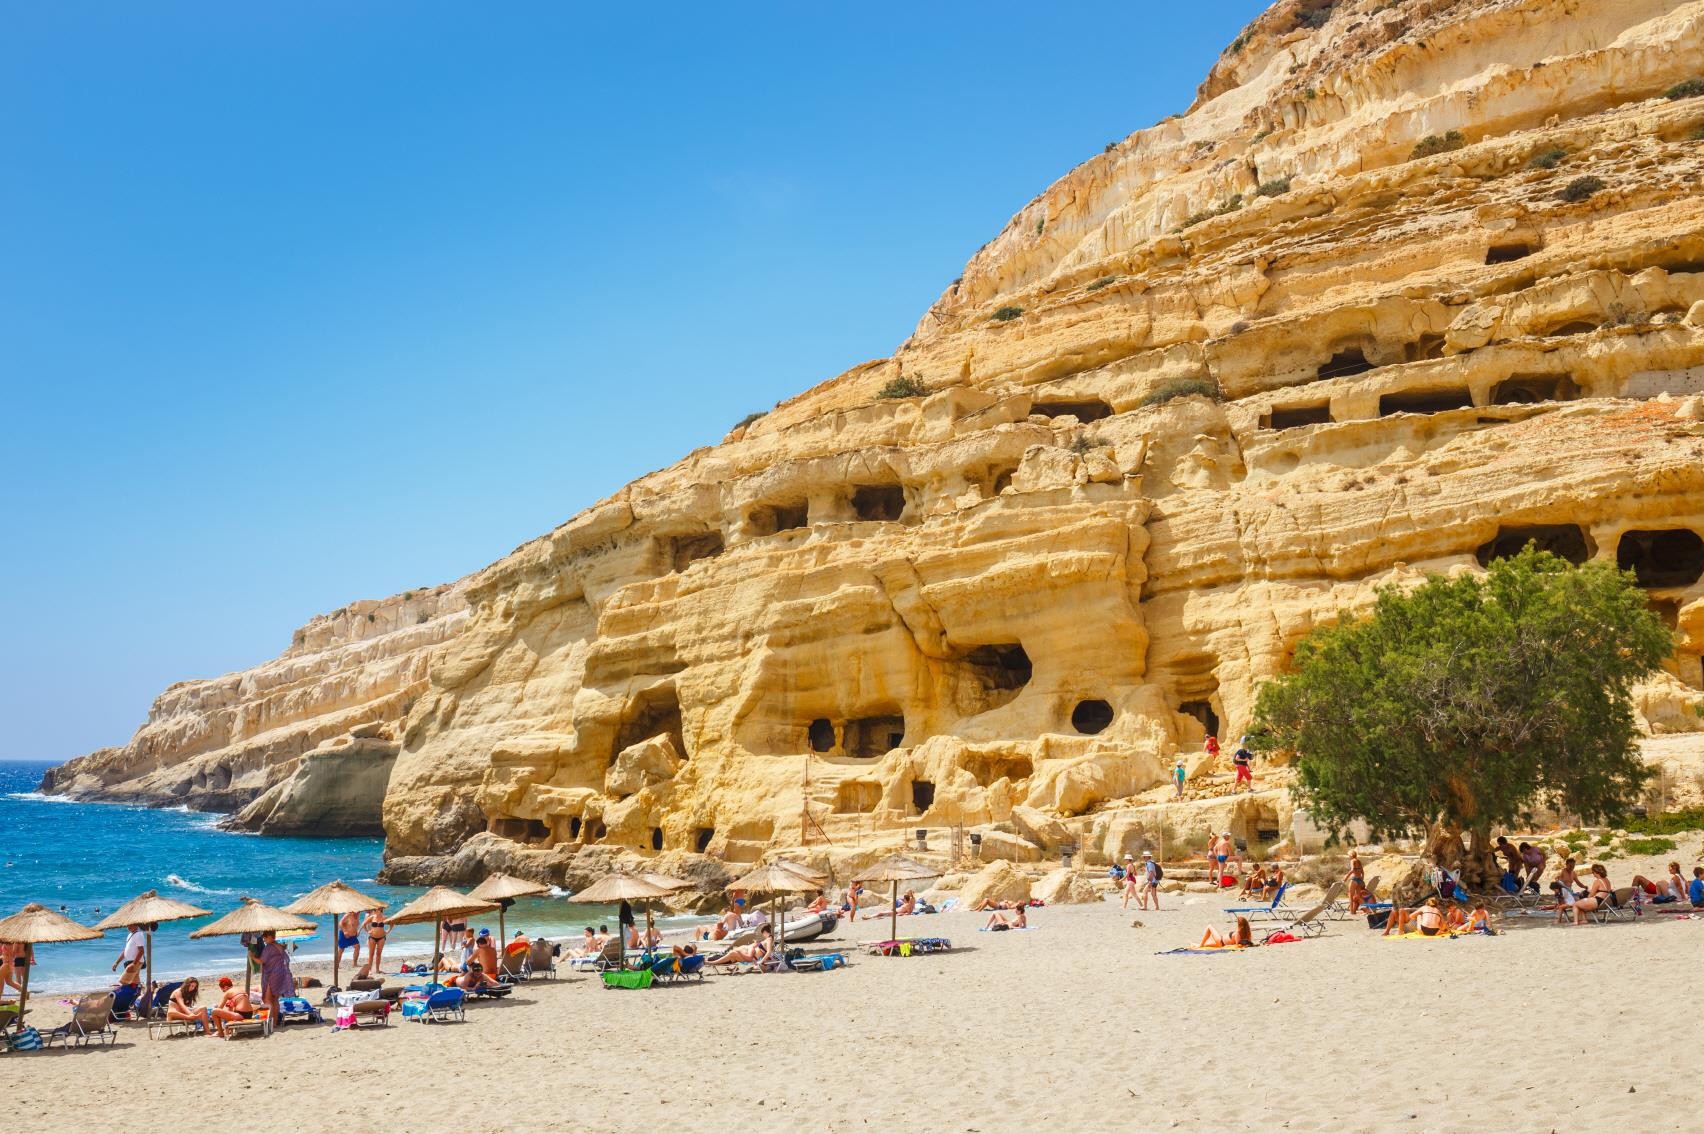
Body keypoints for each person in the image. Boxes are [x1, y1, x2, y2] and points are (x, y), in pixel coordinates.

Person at [258, 931, 295, 1021]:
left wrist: (252, 956)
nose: (264, 939)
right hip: (281, 975)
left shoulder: (269, 947)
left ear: (270, 936)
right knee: (275, 1000)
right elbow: (290, 952)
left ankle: (269, 1022)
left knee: (267, 1000)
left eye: (265, 937)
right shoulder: (280, 946)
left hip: (272, 976)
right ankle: (274, 1023)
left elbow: (261, 961)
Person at [707, 924, 773, 967]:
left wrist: (762, 961)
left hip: (751, 958)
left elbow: (769, 951)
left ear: (765, 932)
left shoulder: (769, 939)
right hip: (751, 956)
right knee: (732, 956)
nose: (763, 935)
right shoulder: (768, 939)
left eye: (763, 934)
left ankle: (712, 963)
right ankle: (712, 961)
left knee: (732, 953)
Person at [363, 906, 389, 973]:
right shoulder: (372, 917)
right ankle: (370, 970)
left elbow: (392, 923)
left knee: (379, 954)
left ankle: (377, 970)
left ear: (380, 909)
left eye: (376, 909)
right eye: (374, 909)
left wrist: (388, 931)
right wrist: (367, 931)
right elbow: (364, 924)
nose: (374, 910)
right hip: (372, 937)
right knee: (371, 954)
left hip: (381, 937)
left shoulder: (384, 917)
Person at [336, 909, 362, 974]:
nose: (358, 912)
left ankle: (354, 964)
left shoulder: (358, 915)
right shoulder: (348, 914)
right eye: (357, 910)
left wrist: (356, 931)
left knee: (357, 947)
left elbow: (355, 925)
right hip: (344, 935)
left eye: (359, 911)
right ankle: (337, 965)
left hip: (352, 936)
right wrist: (345, 931)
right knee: (341, 949)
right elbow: (340, 923)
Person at [1345, 850, 1370, 914]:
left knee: (1350, 895)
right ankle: (1366, 910)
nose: (1348, 857)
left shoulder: (1352, 861)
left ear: (1351, 855)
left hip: (1354, 879)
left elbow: (1352, 869)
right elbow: (1362, 872)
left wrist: (1346, 877)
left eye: (1348, 855)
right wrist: (1362, 879)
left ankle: (1351, 912)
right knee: (1359, 896)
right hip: (1359, 879)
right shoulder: (1358, 861)